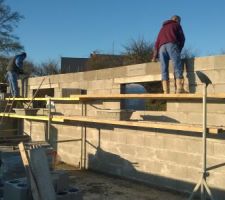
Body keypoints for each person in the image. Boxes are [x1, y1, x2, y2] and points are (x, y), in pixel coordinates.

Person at [152, 15, 185, 93]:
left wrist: (154, 57)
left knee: (164, 69)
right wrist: (179, 49)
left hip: (161, 48)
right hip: (172, 45)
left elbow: (157, 43)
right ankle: (180, 88)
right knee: (177, 65)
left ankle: (166, 91)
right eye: (179, 21)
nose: (180, 23)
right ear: (176, 20)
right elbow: (182, 38)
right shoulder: (176, 25)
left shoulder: (162, 28)